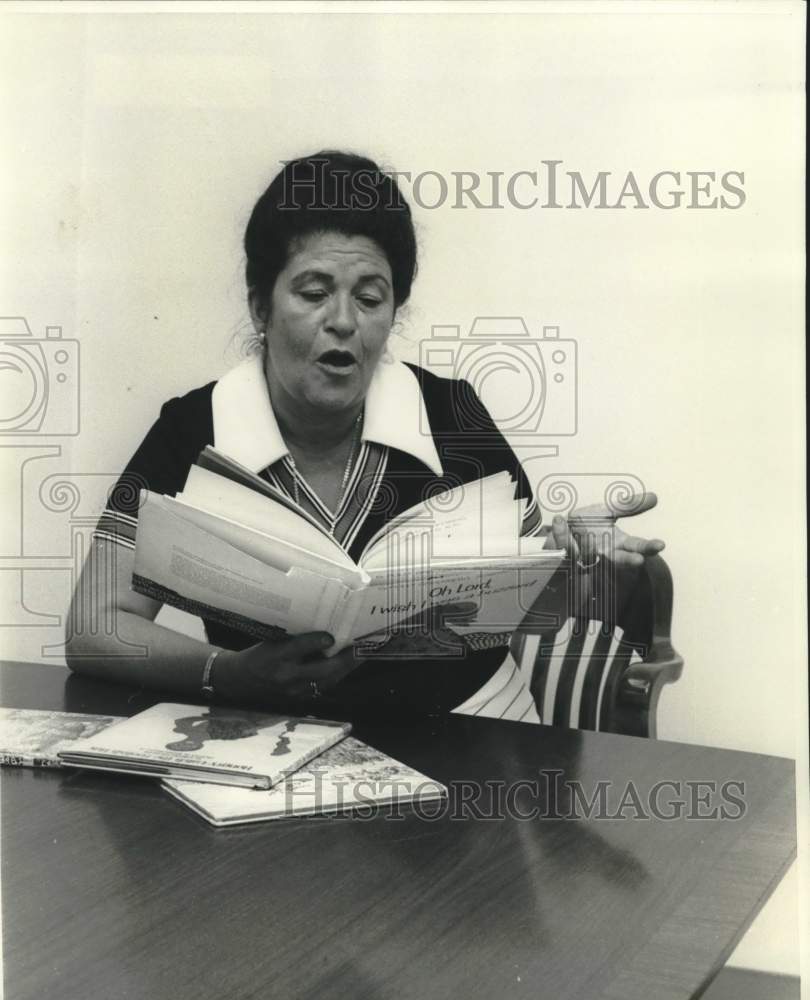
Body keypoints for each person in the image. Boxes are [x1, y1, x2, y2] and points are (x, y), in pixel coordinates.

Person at [65, 151, 664, 721]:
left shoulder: (450, 412)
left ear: (393, 311)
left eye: (370, 298)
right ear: (260, 307)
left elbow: (534, 606)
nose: (345, 321)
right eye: (315, 292)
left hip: (472, 738)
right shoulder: (195, 429)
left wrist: (577, 560)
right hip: (275, 749)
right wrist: (225, 673)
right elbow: (94, 626)